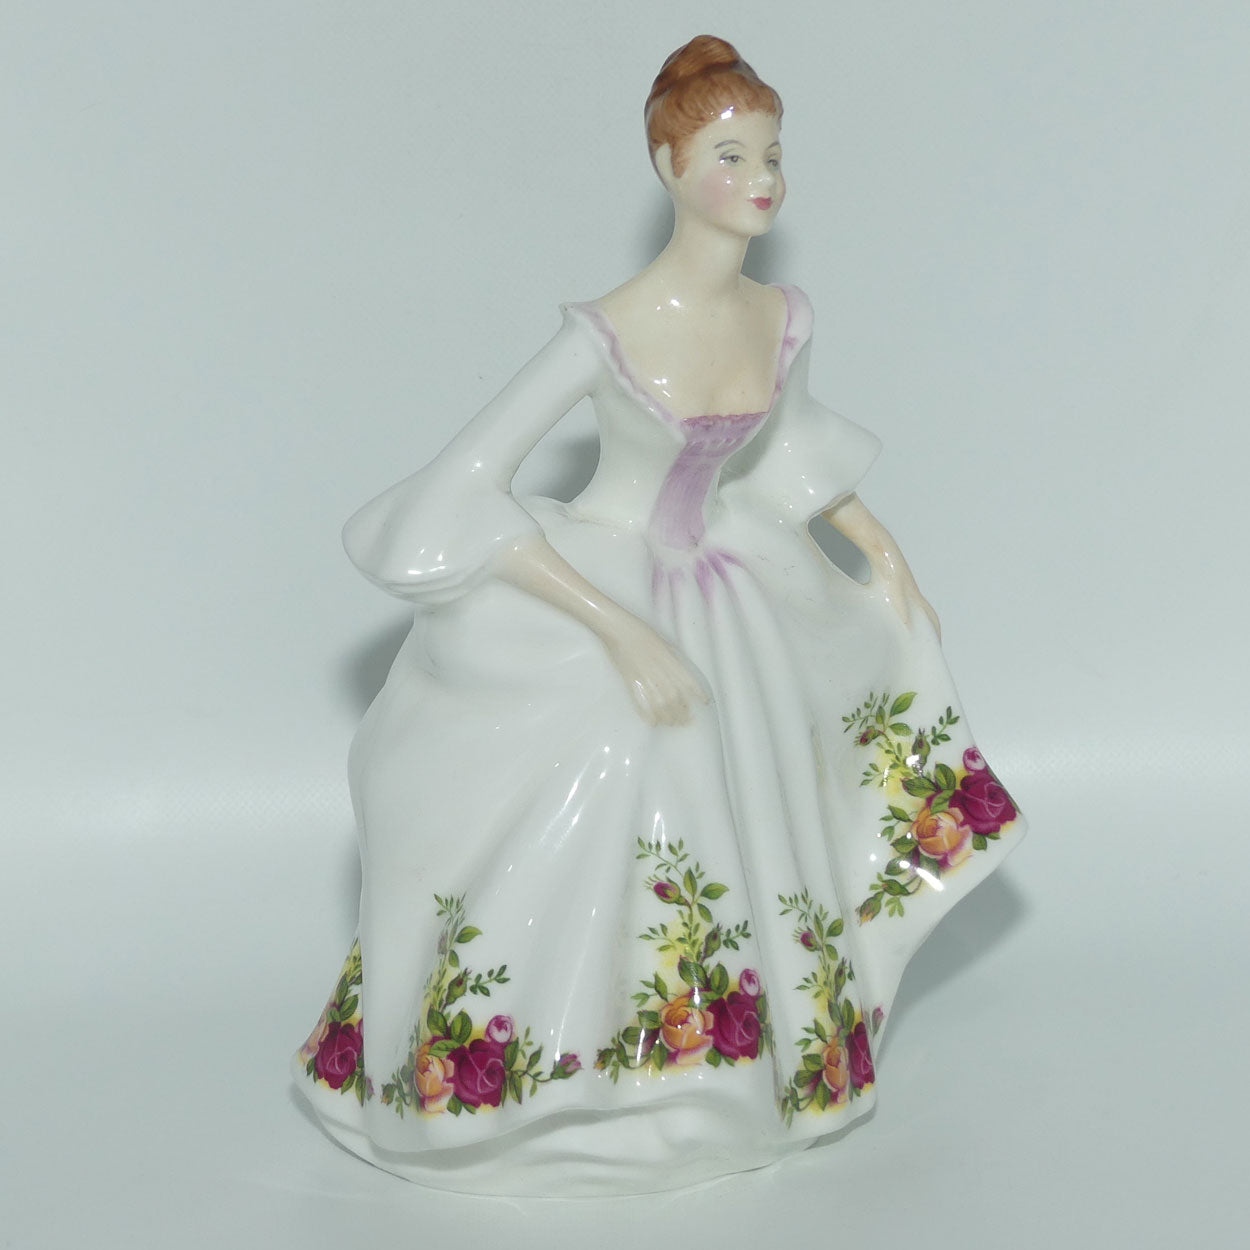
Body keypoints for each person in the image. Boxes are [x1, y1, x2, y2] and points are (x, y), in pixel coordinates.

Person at [293, 35, 1023, 1196]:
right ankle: (558, 1074)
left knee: (766, 789)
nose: (759, 178)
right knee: (620, 772)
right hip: (610, 576)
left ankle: (725, 1071)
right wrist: (615, 626)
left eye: (770, 153)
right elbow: (460, 487)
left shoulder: (778, 313)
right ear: (668, 167)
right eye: (729, 155)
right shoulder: (608, 329)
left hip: (732, 579)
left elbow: (786, 450)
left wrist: (879, 551)